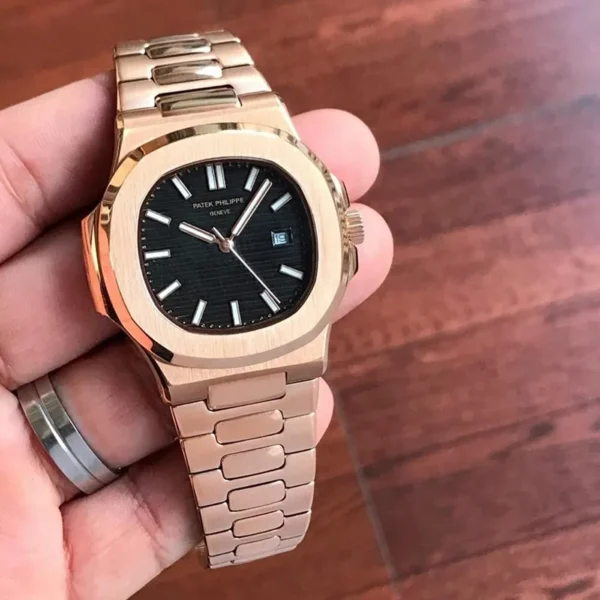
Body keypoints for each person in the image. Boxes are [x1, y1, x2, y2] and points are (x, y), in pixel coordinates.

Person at [0, 72, 394, 599]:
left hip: (284, 333)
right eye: (221, 240)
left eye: (230, 239)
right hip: (191, 351)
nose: (227, 244)